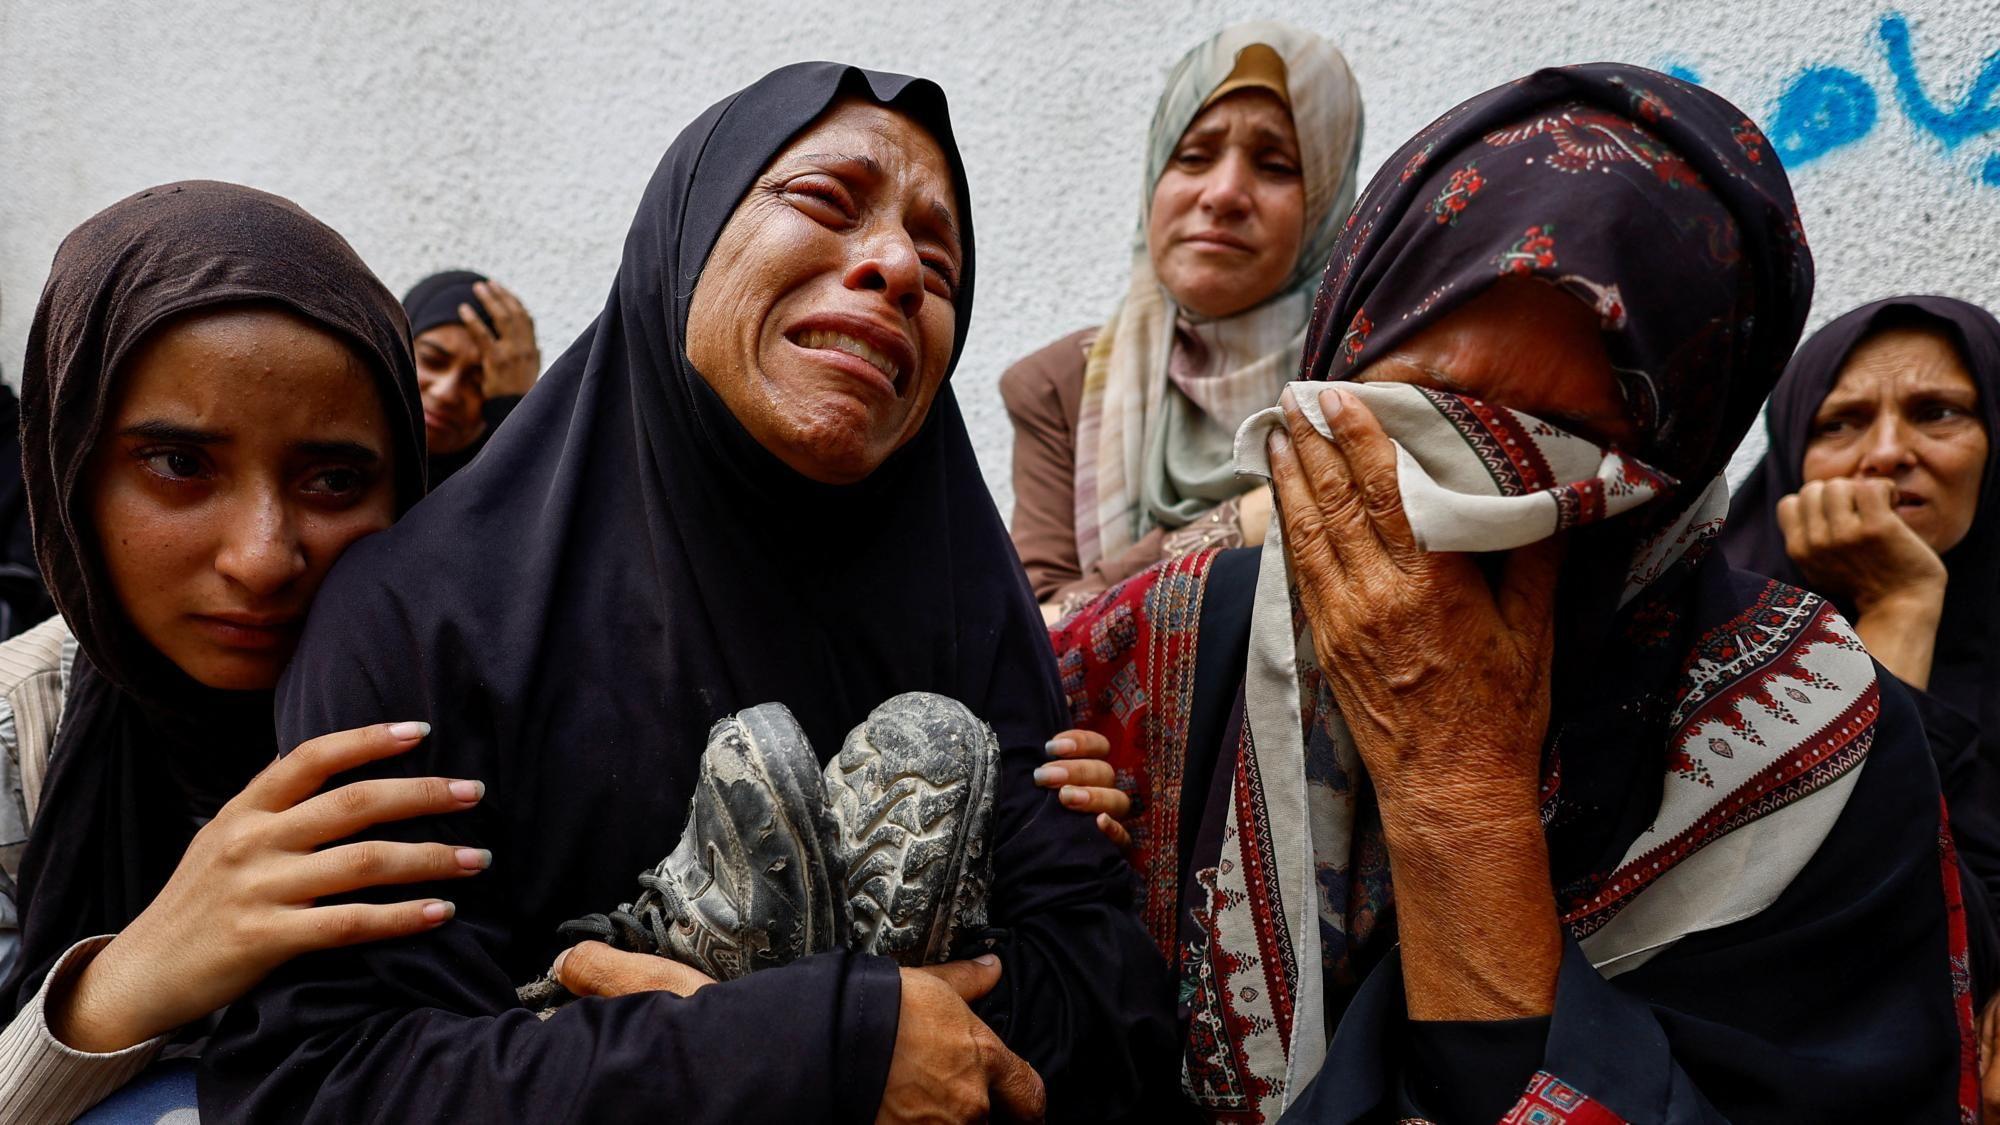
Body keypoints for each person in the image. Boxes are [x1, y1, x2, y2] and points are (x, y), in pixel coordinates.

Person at [201, 63, 1179, 1123]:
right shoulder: (418, 618)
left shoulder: (963, 604)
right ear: (685, 238)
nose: (897, 264)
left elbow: (1112, 1005)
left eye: (938, 262)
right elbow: (329, 1079)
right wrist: (799, 1046)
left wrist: (877, 1024)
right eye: (825, 201)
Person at [1050, 66, 1982, 1121]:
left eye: (1562, 452)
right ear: (1340, 360)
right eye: (1422, 417)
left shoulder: (1822, 747)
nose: (1477, 503)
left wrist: (1459, 803)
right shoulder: (1151, 659)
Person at [0, 181, 469, 1123]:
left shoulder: (465, 717)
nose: (262, 558)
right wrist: (119, 984)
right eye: (179, 464)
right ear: (71, 466)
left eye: (334, 478)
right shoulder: (19, 733)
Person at [1002, 22, 1361, 619]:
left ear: (1326, 201)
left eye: (1275, 165)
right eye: (1193, 156)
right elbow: (1037, 632)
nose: (1224, 193)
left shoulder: (1363, 371)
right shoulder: (1057, 386)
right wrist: (1241, 523)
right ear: (1153, 180)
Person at [401, 270, 541, 484]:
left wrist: (513, 409)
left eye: (477, 382)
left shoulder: (504, 488)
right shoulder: (341, 441)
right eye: (432, 360)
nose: (445, 394)